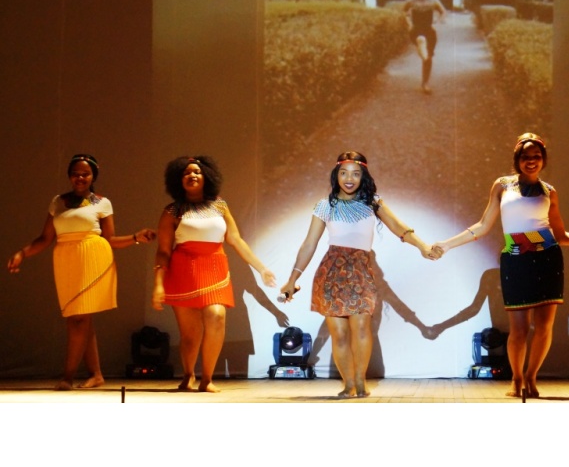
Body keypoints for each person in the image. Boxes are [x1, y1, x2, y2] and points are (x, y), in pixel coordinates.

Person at [432, 133, 569, 398]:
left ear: (543, 159)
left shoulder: (550, 192)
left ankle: (531, 376)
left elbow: (562, 236)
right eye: (525, 157)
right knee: (518, 329)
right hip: (516, 258)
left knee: (544, 327)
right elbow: (483, 225)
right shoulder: (502, 186)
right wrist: (447, 244)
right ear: (517, 159)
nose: (531, 161)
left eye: (536, 156)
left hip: (548, 259)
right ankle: (516, 378)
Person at [280, 151, 438, 397]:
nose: (349, 178)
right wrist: (292, 280)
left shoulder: (373, 202)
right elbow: (309, 244)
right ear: (336, 175)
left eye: (355, 174)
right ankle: (349, 384)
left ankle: (361, 381)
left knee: (362, 326)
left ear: (363, 176)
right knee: (340, 334)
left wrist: (422, 246)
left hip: (361, 271)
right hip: (331, 272)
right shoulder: (325, 205)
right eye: (344, 173)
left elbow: (398, 227)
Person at [6, 154, 156, 390]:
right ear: (69, 176)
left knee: (78, 320)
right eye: (76, 173)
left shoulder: (102, 203)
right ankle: (96, 374)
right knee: (81, 319)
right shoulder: (58, 202)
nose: (80, 178)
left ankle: (67, 376)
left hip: (93, 258)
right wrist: (22, 253)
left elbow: (110, 239)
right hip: (66, 261)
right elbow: (45, 238)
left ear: (93, 176)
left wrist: (136, 237)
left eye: (85, 174)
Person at [151, 156, 276, 393]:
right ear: (178, 180)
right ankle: (188, 375)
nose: (192, 175)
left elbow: (235, 239)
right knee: (190, 334)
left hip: (215, 267)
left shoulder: (220, 205)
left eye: (197, 172)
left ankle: (207, 378)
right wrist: (158, 284)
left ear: (206, 176)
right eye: (186, 173)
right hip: (184, 270)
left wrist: (261, 268)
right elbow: (163, 251)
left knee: (217, 317)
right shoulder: (172, 210)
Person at [402, 0, 446, 94]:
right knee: (420, 39)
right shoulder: (410, 1)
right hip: (416, 29)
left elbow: (443, 11)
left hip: (429, 30)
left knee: (428, 58)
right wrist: (409, 23)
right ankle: (421, 47)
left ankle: (425, 83)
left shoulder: (433, 1)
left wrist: (438, 20)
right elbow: (403, 12)